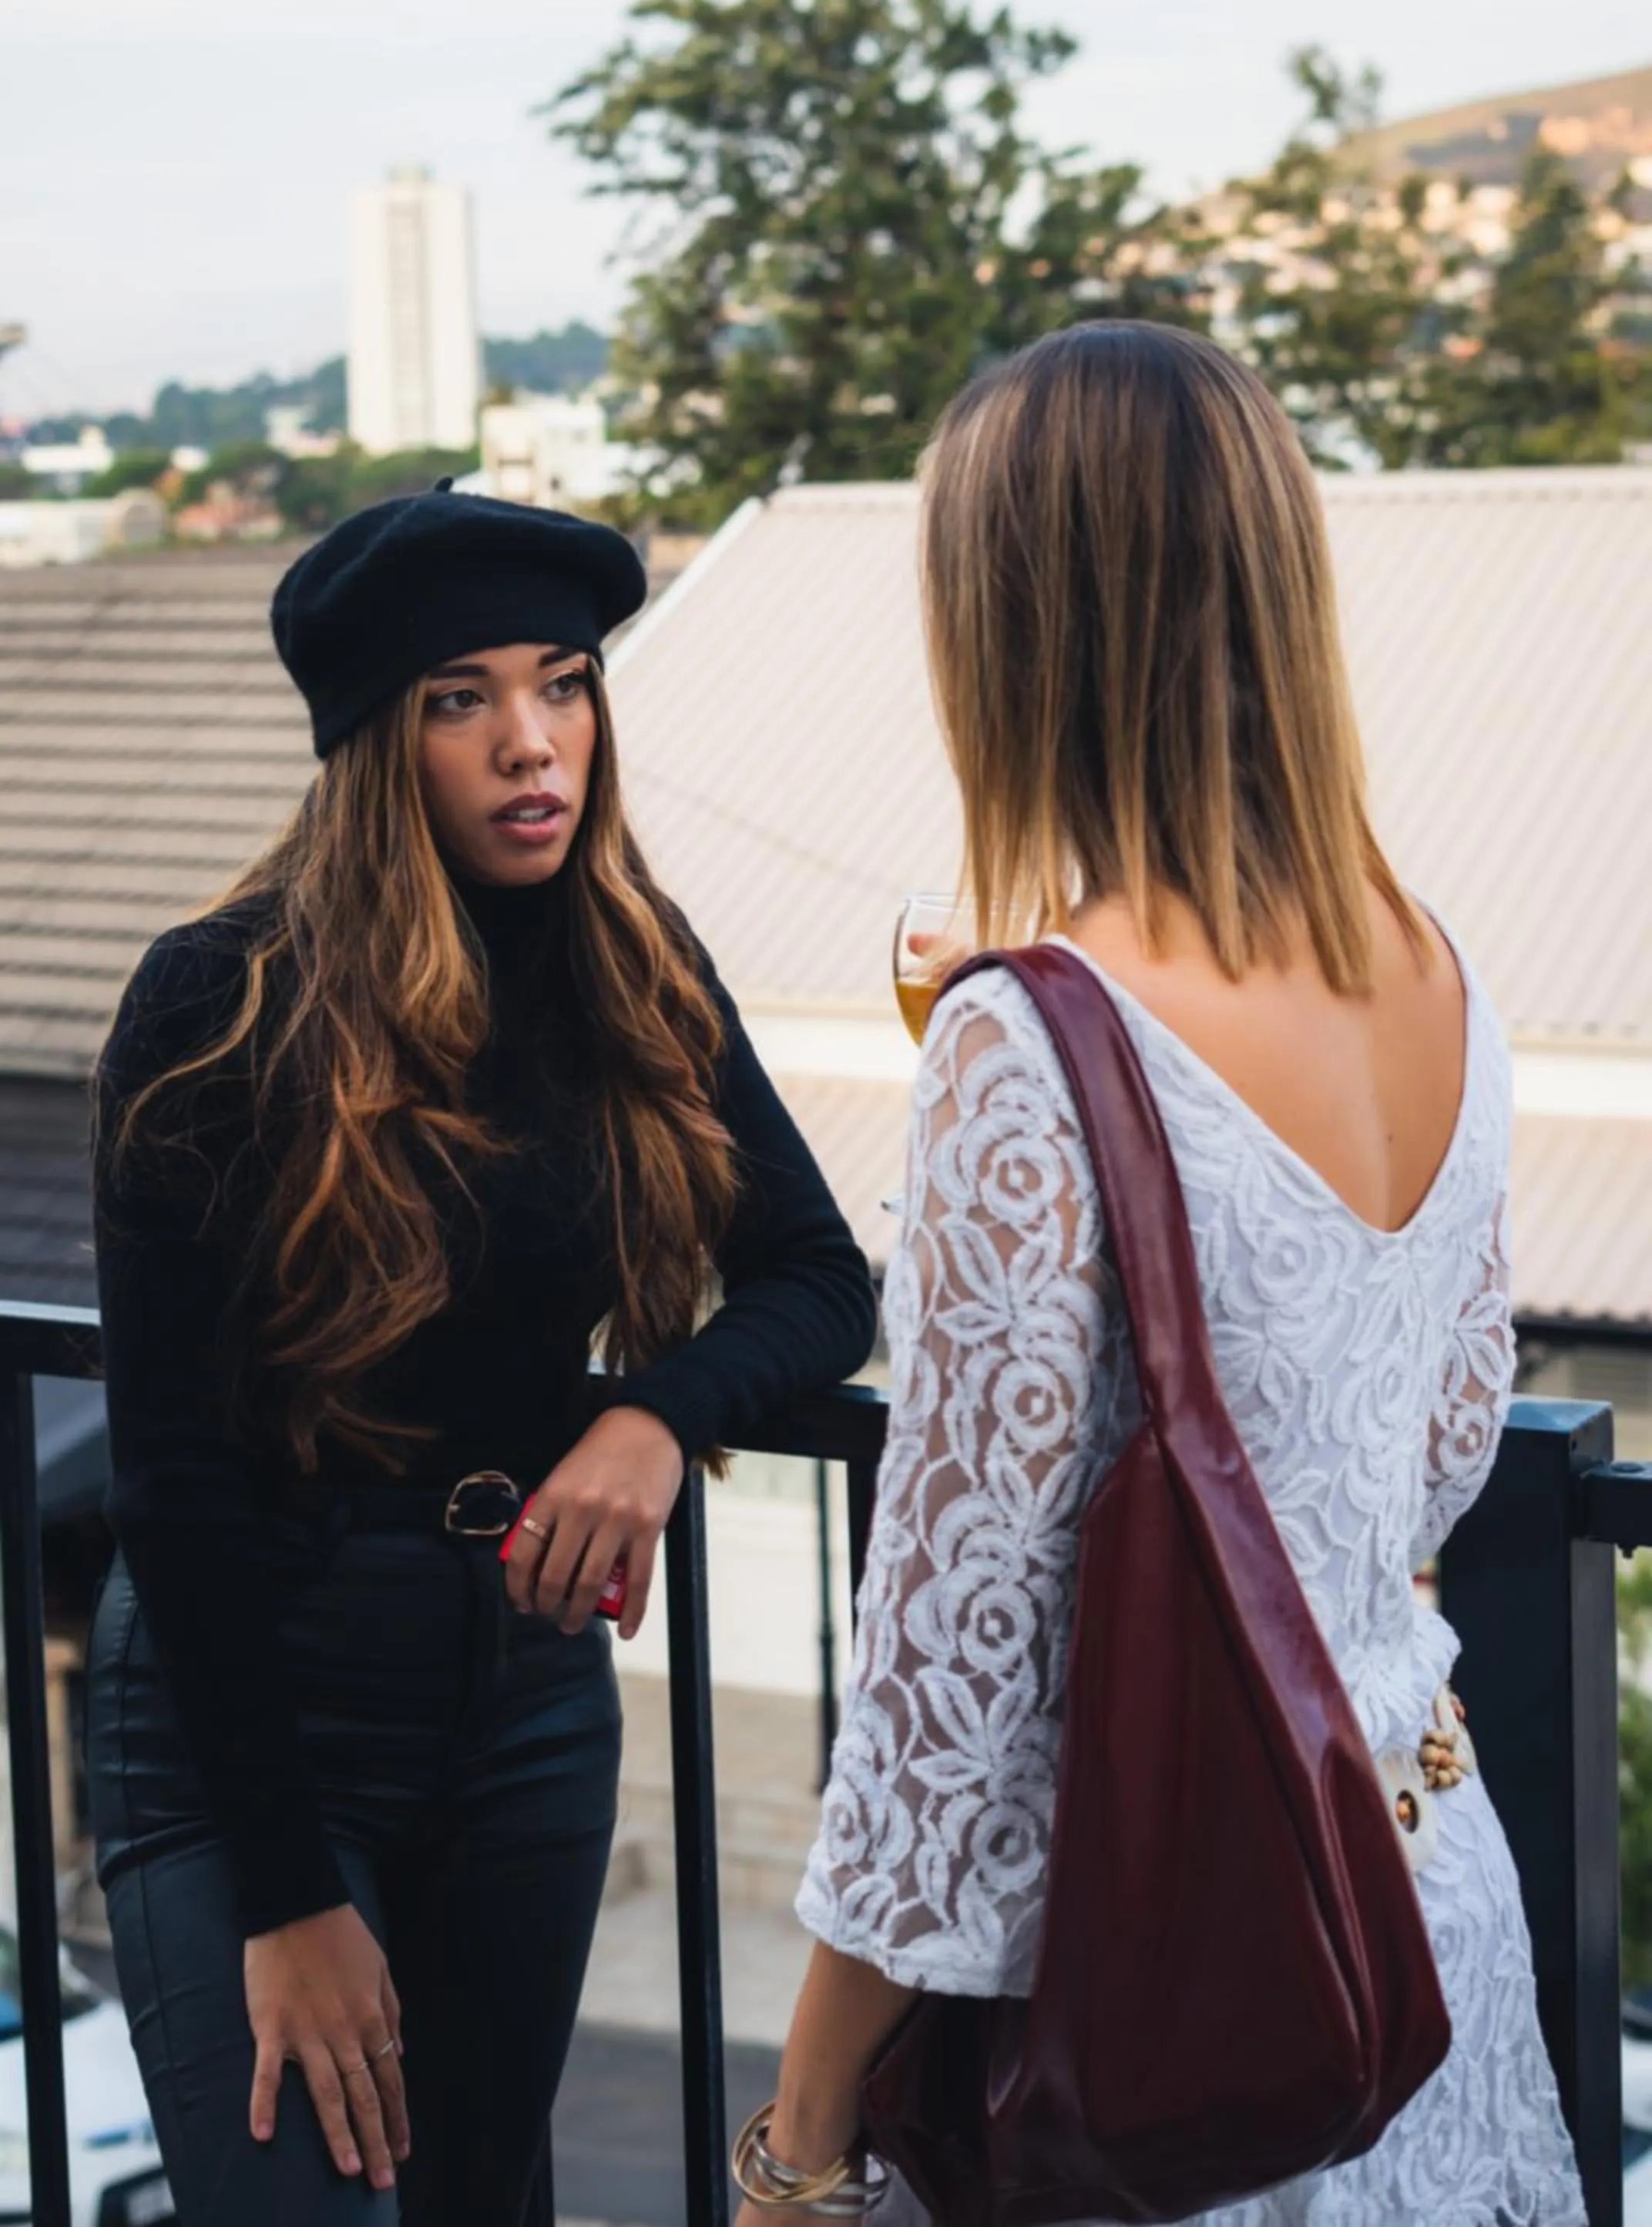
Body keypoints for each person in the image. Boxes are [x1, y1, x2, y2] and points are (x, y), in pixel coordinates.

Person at [739, 324, 1586, 2225]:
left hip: (1187, 1989)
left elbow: (950, 1696)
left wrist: (798, 2144)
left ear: (1015, 628)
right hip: (1427, 1913)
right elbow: (1444, 1445)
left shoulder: (1026, 1041)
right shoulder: (1434, 962)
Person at [86, 487, 878, 2227]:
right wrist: (289, 1905)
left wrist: (655, 1421)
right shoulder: (218, 1003)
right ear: (381, 740)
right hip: (258, 1712)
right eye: (462, 699)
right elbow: (175, 1482)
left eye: (565, 683)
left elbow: (821, 1278)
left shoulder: (639, 967)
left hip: (524, 1707)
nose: (533, 743)